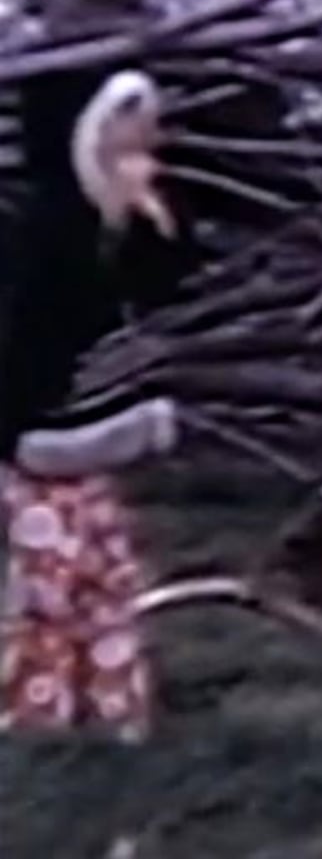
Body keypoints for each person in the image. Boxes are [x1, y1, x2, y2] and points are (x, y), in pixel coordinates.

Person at [0, 67, 191, 743]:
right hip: (36, 430)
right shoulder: (47, 227)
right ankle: (39, 720)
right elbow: (37, 332)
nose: (144, 152)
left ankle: (112, 710)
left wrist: (153, 221)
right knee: (51, 581)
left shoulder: (116, 215)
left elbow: (163, 296)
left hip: (94, 424)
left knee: (106, 570)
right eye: (125, 138)